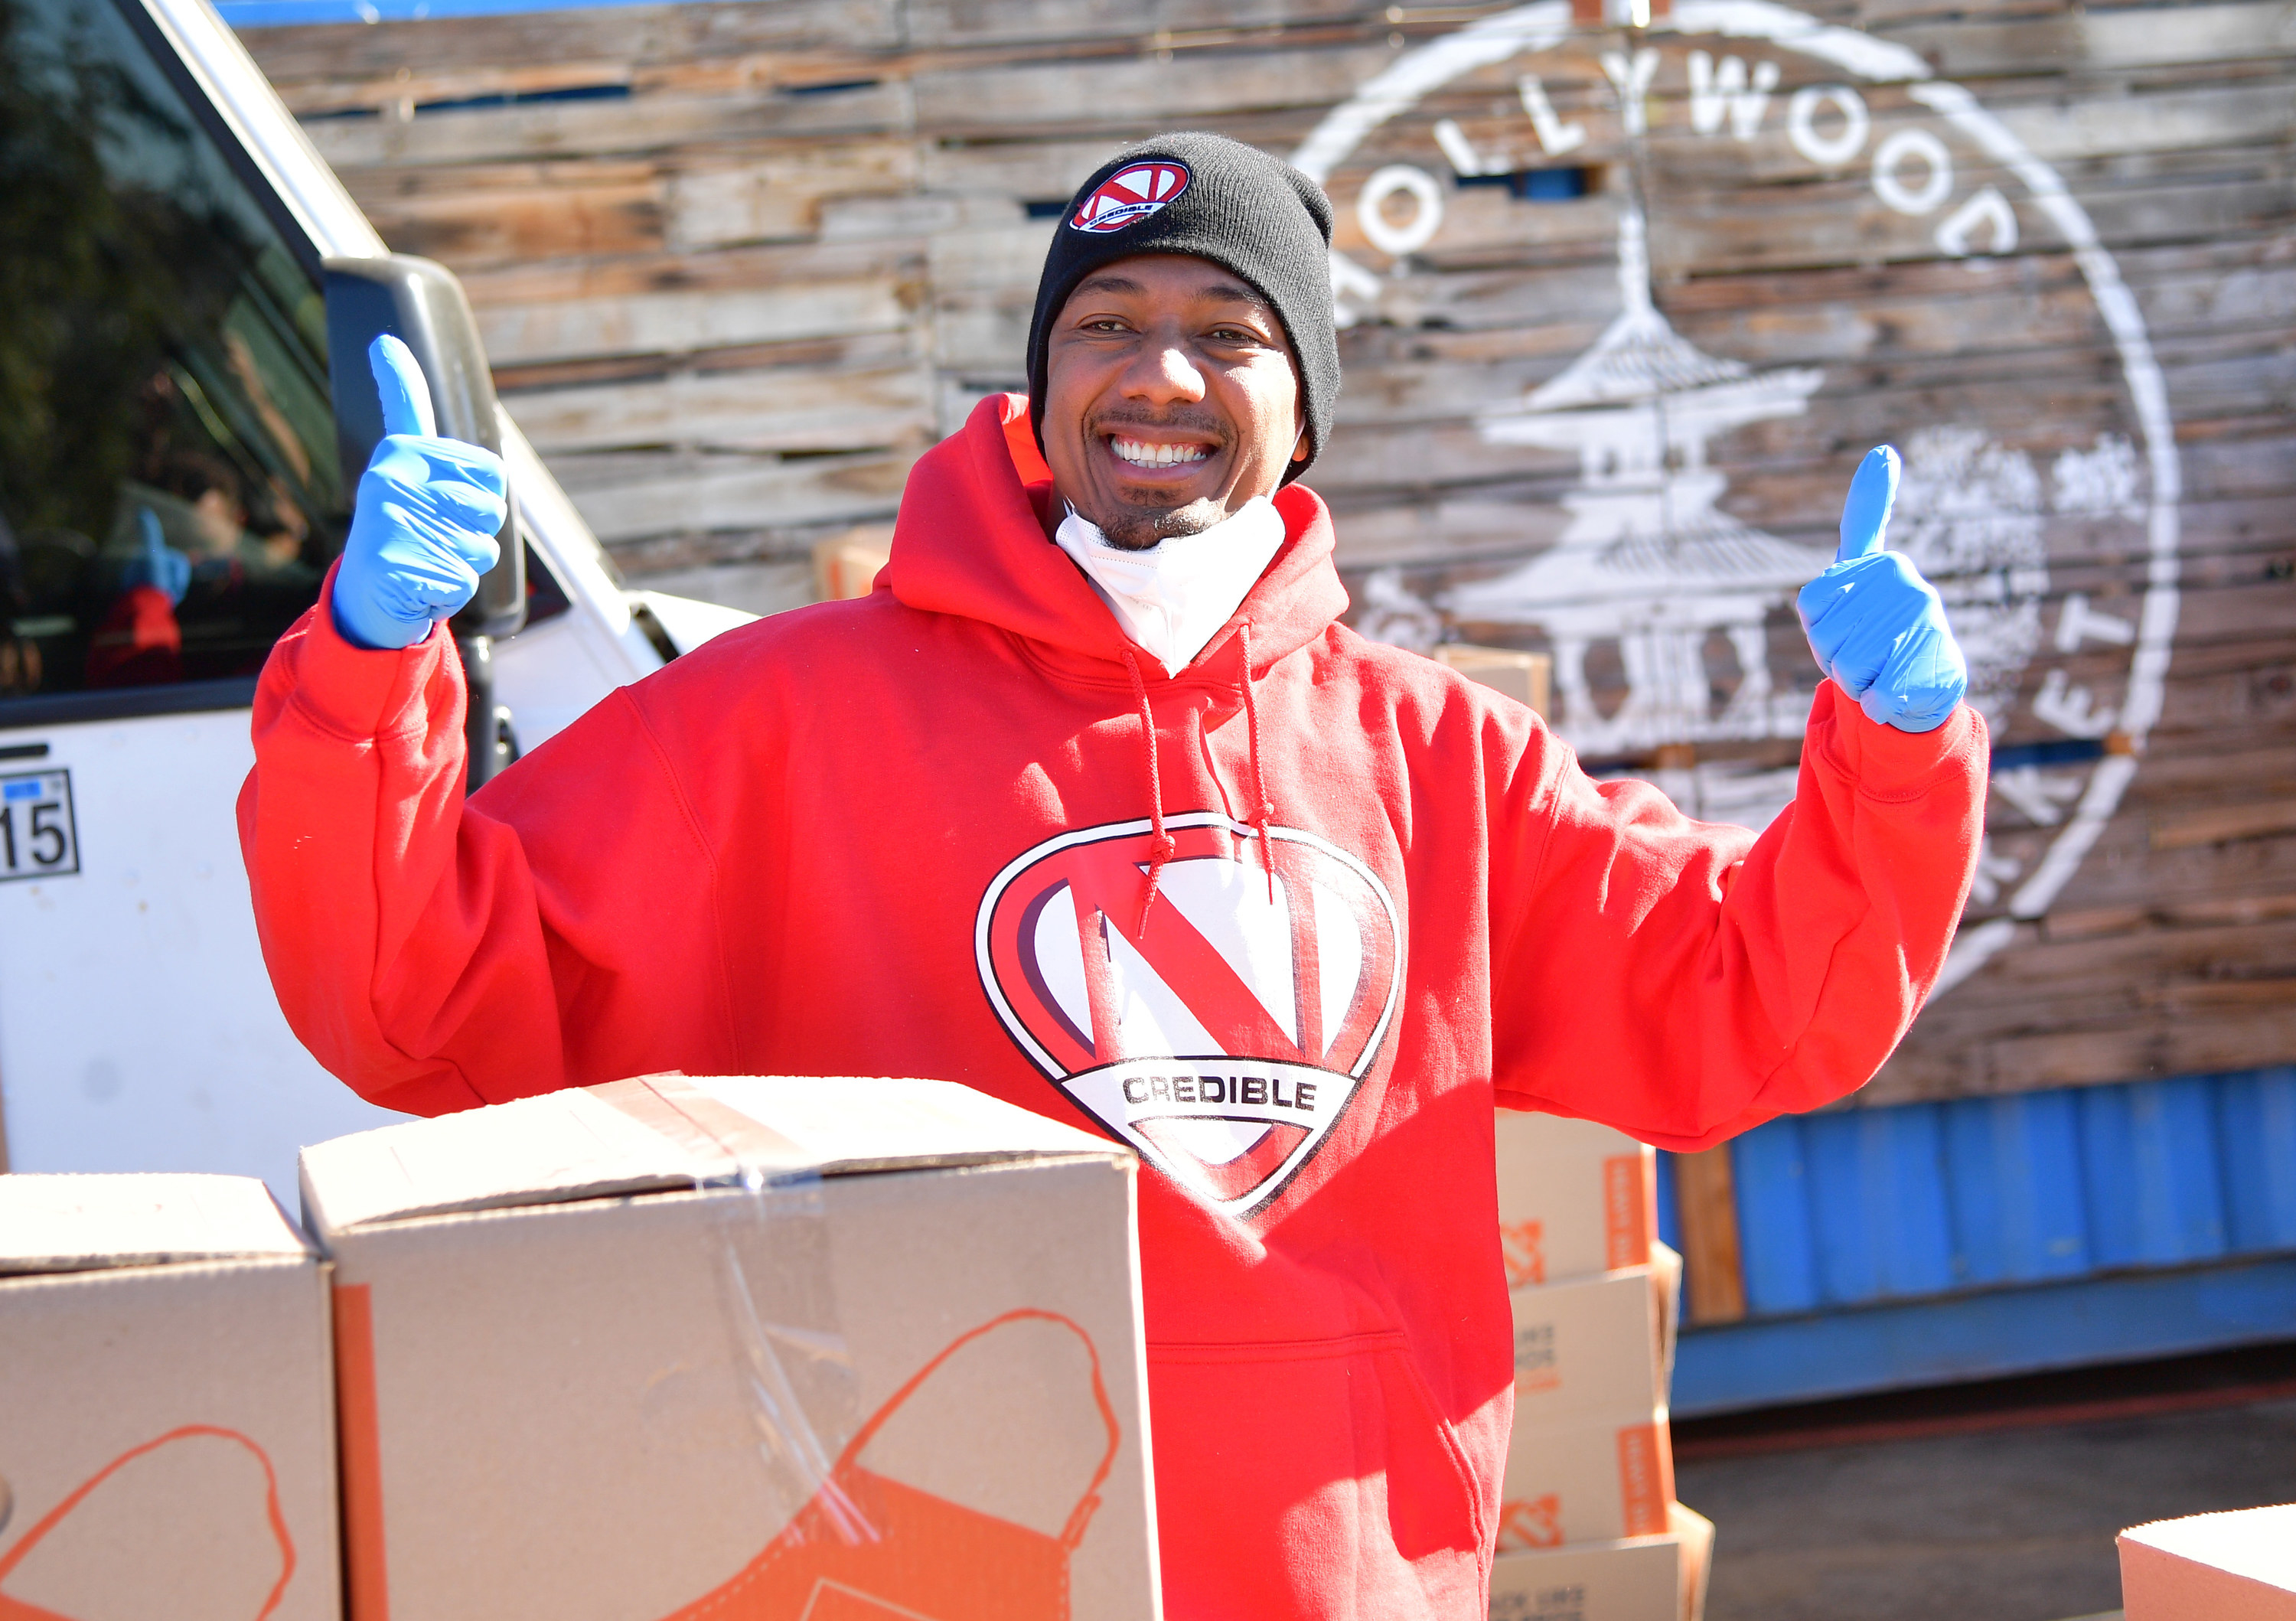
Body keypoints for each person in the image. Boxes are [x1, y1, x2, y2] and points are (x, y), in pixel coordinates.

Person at [240, 133, 1985, 1619]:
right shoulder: (771, 721)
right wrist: (372, 669)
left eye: (1229, 333)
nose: (1161, 375)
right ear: (1038, 385)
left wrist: (1896, 757)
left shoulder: (1442, 757)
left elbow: (1750, 1000)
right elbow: (418, 999)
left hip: (1340, 1583)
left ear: (1301, 409)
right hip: (925, 1569)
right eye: (1108, 325)